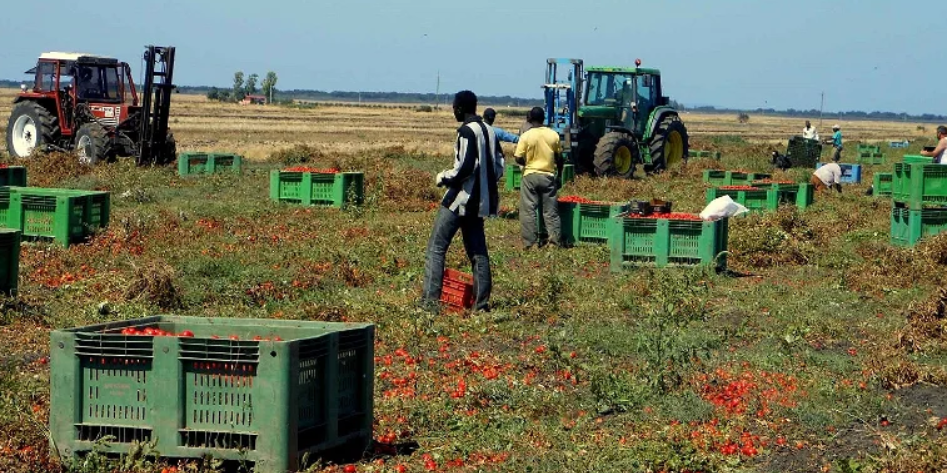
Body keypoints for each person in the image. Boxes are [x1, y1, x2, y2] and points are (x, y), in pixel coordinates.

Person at [421, 90, 504, 312]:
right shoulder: (490, 130)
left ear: (459, 108)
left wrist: (444, 177)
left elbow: (466, 168)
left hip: (461, 200)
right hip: (481, 203)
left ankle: (429, 303)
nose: (453, 111)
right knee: (478, 252)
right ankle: (481, 305)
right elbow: (499, 166)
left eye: (454, 108)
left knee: (436, 248)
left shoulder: (466, 132)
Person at [514, 107, 564, 248]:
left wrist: (527, 163)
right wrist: (559, 175)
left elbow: (518, 158)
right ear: (544, 118)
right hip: (548, 176)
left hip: (530, 176)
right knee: (550, 211)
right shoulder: (553, 135)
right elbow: (559, 158)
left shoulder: (526, 136)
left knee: (528, 210)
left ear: (530, 119)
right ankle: (554, 242)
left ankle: (531, 244)